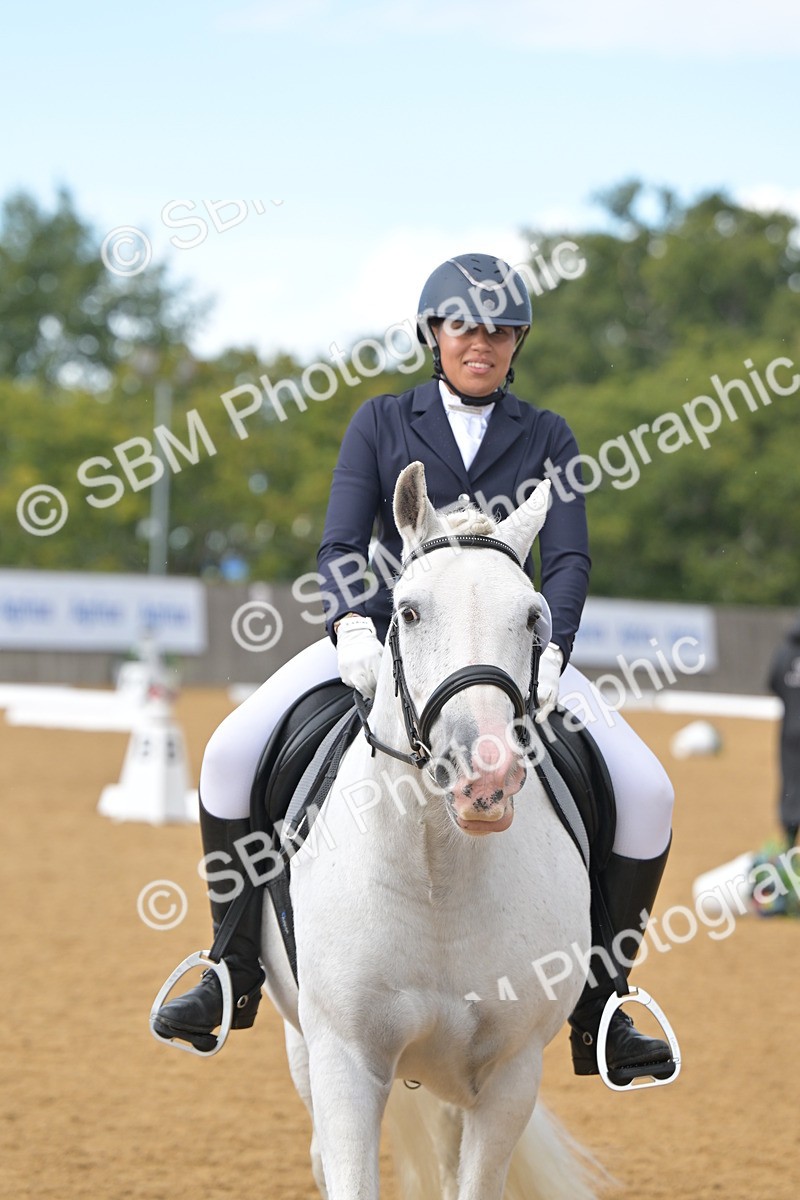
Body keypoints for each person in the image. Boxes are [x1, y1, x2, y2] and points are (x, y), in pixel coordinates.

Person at [154, 253, 676, 1083]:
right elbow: (339, 543)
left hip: (509, 657)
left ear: (517, 344)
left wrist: (552, 650)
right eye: (466, 325)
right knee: (226, 753)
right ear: (434, 334)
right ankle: (231, 970)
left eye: (502, 329)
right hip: (392, 639)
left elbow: (568, 559)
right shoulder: (381, 419)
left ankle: (603, 1004)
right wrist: (355, 628)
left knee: (649, 792)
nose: (484, 342)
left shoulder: (547, 434)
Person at [767, 617, 800, 847]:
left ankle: (789, 842)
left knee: (791, 784)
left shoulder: (784, 652)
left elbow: (772, 683)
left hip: (791, 730)